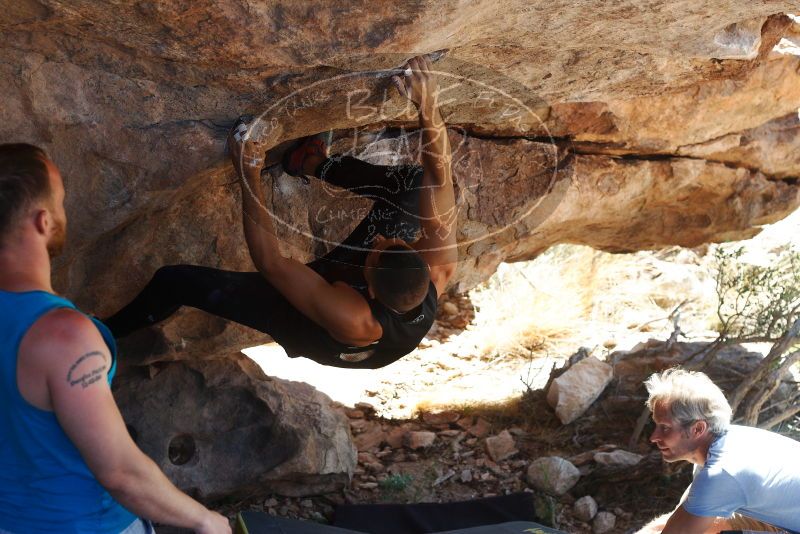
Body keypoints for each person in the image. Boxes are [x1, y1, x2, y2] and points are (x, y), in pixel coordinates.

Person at [104, 54, 458, 369]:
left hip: (309, 326)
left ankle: (104, 333)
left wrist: (249, 170)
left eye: (376, 250)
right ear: (419, 261)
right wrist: (427, 105)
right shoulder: (439, 267)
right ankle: (311, 161)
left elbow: (271, 263)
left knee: (175, 281)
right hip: (365, 285)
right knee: (414, 186)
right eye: (392, 242)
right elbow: (439, 175)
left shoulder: (354, 318)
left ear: (369, 287)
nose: (379, 238)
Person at [0, 144, 231, 534]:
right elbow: (121, 472)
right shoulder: (64, 336)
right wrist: (206, 521)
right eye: (61, 200)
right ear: (42, 221)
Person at [637, 368, 800, 534]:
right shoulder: (726, 442)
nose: (653, 437)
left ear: (698, 429)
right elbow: (682, 517)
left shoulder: (721, 473)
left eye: (665, 428)